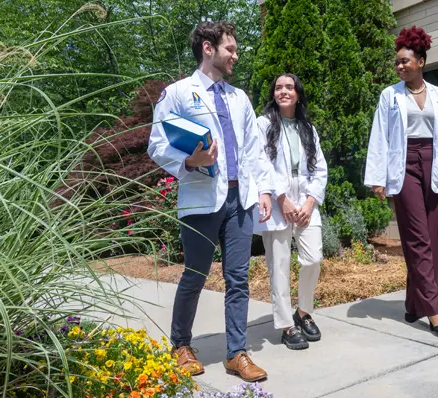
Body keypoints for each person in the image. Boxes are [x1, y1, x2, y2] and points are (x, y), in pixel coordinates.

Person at [147, 21, 273, 381]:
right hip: (202, 199)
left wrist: (262, 190)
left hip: (240, 199)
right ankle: (181, 345)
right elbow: (157, 144)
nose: (236, 55)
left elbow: (253, 149)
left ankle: (237, 353)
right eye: (230, 49)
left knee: (238, 278)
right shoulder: (178, 93)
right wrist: (188, 162)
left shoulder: (239, 97)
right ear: (208, 48)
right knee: (195, 275)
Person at [364, 26, 438, 335]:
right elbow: (379, 136)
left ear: (420, 61)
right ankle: (433, 310)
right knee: (417, 237)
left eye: (405, 61)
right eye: (397, 63)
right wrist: (378, 178)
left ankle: (413, 303)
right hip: (402, 166)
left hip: (433, 162)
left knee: (431, 240)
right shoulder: (389, 95)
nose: (400, 66)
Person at [254, 74, 328, 350]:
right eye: (278, 87)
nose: (283, 91)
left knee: (312, 259)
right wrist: (282, 199)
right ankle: (287, 325)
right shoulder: (263, 125)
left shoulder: (307, 127)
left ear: (298, 93)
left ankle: (304, 312)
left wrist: (309, 203)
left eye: (289, 87)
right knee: (280, 265)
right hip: (277, 202)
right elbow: (262, 164)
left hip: (305, 200)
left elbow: (320, 168)